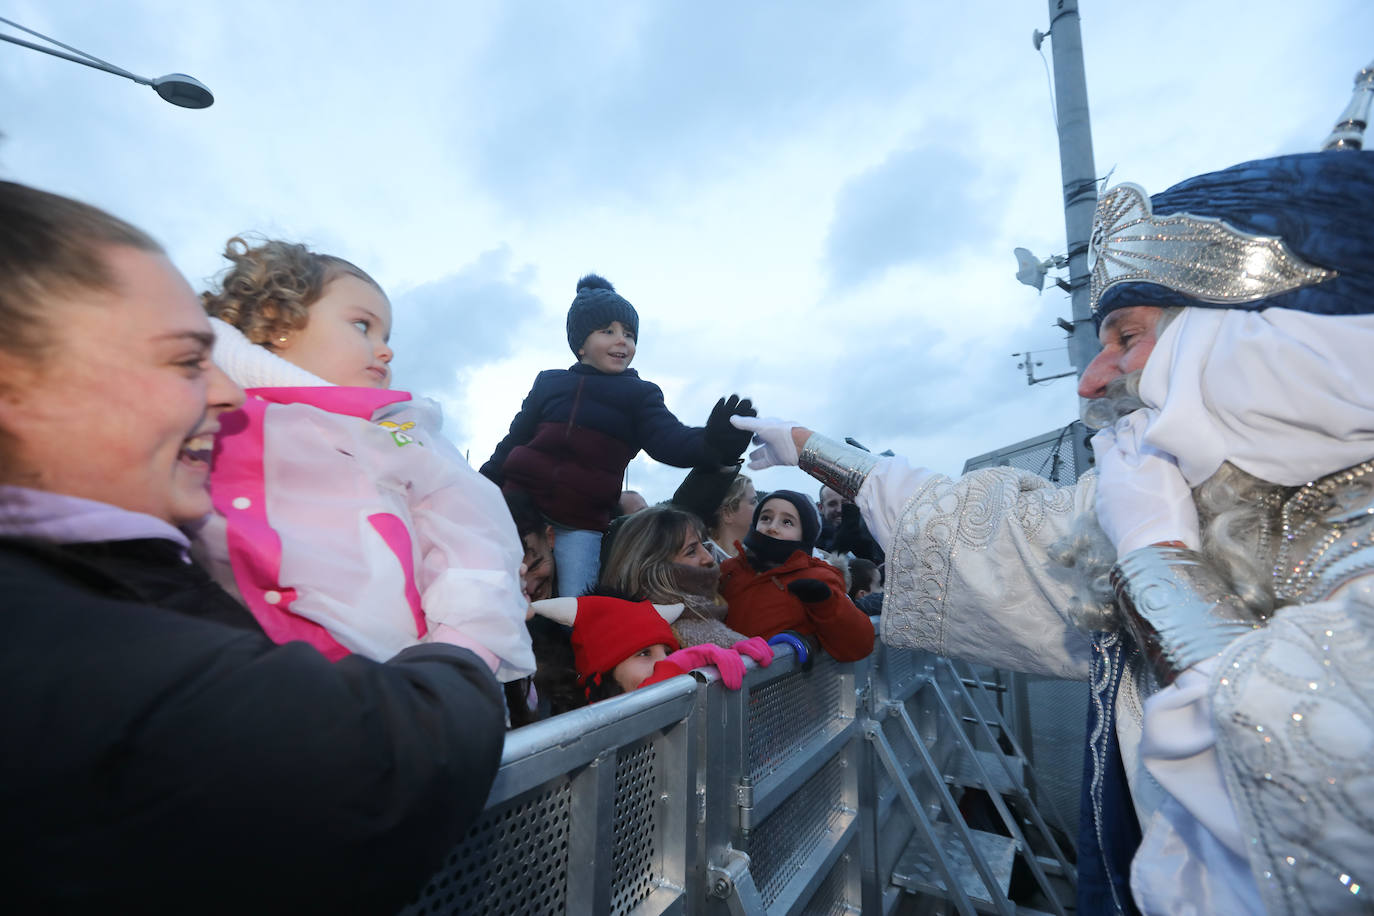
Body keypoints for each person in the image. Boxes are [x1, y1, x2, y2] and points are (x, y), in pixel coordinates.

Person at [731, 149, 1374, 915]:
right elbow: (987, 534)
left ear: (1257, 337)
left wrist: (1159, 565)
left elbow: (1317, 802)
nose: (1094, 380)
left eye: (1127, 338)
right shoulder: (1178, 496)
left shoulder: (1160, 514)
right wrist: (810, 447)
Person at [0, 182, 506, 913]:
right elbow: (379, 767)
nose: (230, 394)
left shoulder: (116, 581)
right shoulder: (74, 653)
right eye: (184, 361)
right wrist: (465, 655)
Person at [196, 236, 534, 681]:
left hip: (381, 679)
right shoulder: (200, 412)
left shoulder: (397, 436)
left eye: (386, 336)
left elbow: (472, 546)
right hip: (228, 675)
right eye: (362, 326)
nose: (386, 349)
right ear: (280, 322)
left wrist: (456, 663)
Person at [480, 273, 754, 597]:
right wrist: (482, 482)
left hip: (579, 522)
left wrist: (712, 443)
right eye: (607, 331)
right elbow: (515, 439)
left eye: (629, 334)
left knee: (577, 603)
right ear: (580, 344)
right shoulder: (549, 383)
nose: (622, 340)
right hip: (519, 502)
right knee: (496, 581)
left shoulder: (639, 395)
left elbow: (670, 439)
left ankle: (569, 645)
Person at [719, 490, 876, 662]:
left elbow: (860, 644)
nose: (772, 527)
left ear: (805, 535)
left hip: (781, 684)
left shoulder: (817, 576)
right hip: (730, 679)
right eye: (765, 518)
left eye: (787, 522)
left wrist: (828, 604)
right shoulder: (730, 570)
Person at [530, 595, 773, 705]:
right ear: (603, 674)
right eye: (644, 653)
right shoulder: (582, 730)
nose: (664, 662)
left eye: (668, 652)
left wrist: (744, 667)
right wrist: (687, 660)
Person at [599, 504, 763, 653]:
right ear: (653, 568)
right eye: (691, 551)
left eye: (704, 545)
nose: (709, 558)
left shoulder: (720, 605)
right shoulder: (657, 640)